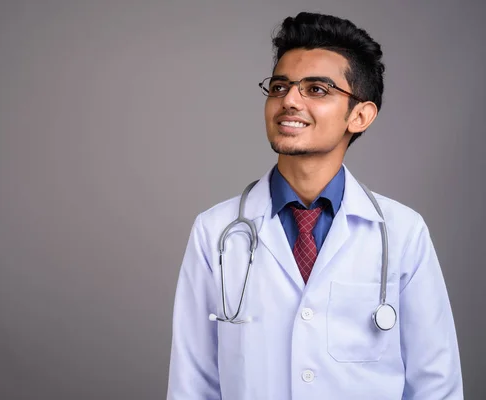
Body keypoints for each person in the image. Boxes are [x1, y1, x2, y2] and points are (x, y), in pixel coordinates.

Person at [166, 12, 463, 400]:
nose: (289, 100)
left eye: (317, 90)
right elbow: (192, 381)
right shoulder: (215, 231)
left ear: (359, 115)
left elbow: (435, 383)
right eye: (279, 87)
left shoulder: (402, 232)